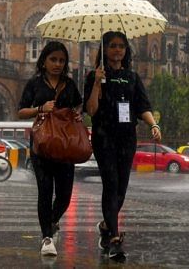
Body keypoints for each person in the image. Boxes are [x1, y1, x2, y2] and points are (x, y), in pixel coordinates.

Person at [84, 31, 161, 261]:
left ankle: (106, 226)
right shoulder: (94, 76)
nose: (118, 50)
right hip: (104, 136)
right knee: (111, 183)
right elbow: (91, 110)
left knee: (122, 188)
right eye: (113, 46)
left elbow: (142, 106)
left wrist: (153, 124)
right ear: (104, 49)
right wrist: (97, 83)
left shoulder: (132, 77)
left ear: (126, 50)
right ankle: (115, 239)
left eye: (121, 46)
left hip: (127, 137)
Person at [18, 41, 83, 257]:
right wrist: (40, 108)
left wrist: (76, 114)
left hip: (65, 147)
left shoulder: (69, 85)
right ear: (44, 61)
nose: (57, 64)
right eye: (53, 59)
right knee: (45, 191)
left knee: (65, 195)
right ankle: (46, 237)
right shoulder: (35, 84)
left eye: (61, 60)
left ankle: (53, 219)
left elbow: (77, 107)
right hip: (42, 146)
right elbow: (21, 111)